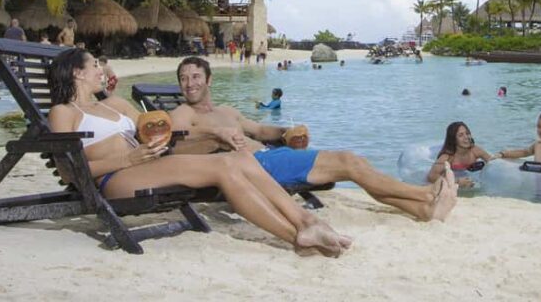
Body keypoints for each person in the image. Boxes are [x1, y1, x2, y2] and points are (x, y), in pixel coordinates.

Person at [46, 48, 352, 257]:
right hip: (115, 178)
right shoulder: (63, 112)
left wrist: (198, 133)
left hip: (148, 165)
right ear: (77, 73)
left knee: (239, 158)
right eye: (94, 65)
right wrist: (127, 158)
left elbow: (160, 127)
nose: (101, 69)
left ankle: (304, 224)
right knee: (223, 167)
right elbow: (68, 172)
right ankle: (296, 235)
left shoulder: (114, 103)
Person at [170, 57, 458, 222]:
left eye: (196, 76)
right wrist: (215, 134)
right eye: (184, 78)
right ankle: (425, 194)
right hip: (255, 167)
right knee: (349, 162)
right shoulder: (182, 113)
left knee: (355, 164)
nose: (190, 83)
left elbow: (260, 131)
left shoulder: (227, 111)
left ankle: (423, 209)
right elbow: (175, 145)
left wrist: (287, 132)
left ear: (209, 80)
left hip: (271, 157)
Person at [427, 122, 499, 188]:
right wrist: (457, 181)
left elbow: (492, 162)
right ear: (453, 139)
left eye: (467, 133)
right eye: (460, 135)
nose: (466, 137)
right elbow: (431, 177)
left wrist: (501, 155)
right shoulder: (447, 157)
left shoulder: (475, 150)